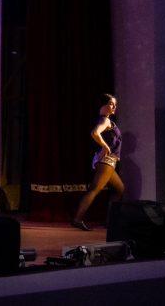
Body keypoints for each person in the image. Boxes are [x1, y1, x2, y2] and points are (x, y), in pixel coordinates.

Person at [72, 94, 125, 231]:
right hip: (107, 161)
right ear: (103, 105)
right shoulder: (105, 120)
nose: (114, 107)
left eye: (115, 104)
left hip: (110, 161)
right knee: (95, 189)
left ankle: (110, 221)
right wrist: (106, 147)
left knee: (120, 189)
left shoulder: (106, 120)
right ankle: (77, 219)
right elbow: (95, 133)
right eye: (111, 103)